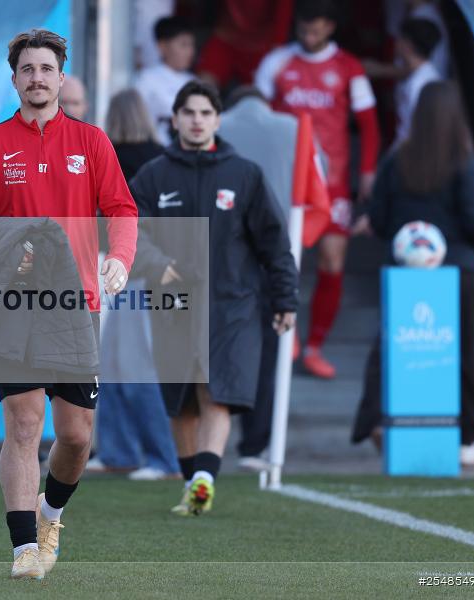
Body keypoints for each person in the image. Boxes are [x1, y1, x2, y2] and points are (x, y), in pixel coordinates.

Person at [0, 29, 137, 579]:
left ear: (60, 77)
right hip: (13, 308)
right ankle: (24, 549)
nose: (37, 78)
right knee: (25, 426)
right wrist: (2, 256)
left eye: (46, 69)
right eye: (27, 70)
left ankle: (50, 515)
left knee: (77, 437)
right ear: (14, 79)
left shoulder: (91, 142)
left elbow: (122, 209)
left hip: (77, 304)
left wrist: (119, 258)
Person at [130, 81, 298, 516]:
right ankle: (194, 486)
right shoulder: (153, 175)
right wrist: (154, 264)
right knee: (181, 401)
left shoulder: (245, 174)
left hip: (233, 302)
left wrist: (286, 297)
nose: (197, 120)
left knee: (215, 389)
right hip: (172, 305)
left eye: (205, 113)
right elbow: (126, 229)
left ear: (218, 120)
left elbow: (274, 242)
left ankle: (204, 478)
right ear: (176, 119)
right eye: (189, 112)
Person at [350, 82, 474, 467]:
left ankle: (377, 419)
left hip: (406, 274)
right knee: (458, 352)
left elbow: (378, 218)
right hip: (456, 272)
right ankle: (467, 436)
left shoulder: (398, 160)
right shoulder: (465, 160)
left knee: (392, 348)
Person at [255, 0, 380, 379]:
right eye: (303, 30)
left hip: (334, 183)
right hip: (286, 178)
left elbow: (370, 126)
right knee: (282, 258)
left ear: (329, 27)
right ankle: (286, 338)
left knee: (332, 260)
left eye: (316, 30)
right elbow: (254, 116)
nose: (308, 36)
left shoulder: (349, 68)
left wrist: (369, 171)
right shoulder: (276, 63)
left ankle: (314, 347)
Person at [93, 89, 177, 480]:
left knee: (127, 366)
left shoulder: (106, 156)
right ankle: (121, 450)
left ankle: (161, 456)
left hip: (125, 267)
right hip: (142, 267)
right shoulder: (161, 159)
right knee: (120, 364)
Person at [219, 86, 299, 469]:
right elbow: (318, 177)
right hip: (276, 251)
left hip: (222, 254)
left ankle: (202, 444)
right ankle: (256, 443)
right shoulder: (293, 127)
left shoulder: (217, 125)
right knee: (268, 351)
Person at [196, 0, 293, 91]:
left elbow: (281, 27)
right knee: (203, 86)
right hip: (226, 39)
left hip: (260, 48)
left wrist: (273, 63)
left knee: (258, 95)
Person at [135, 16, 196, 146]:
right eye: (183, 45)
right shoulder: (147, 79)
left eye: (191, 45)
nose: (190, 51)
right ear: (162, 46)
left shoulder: (193, 81)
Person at [393, 18, 441, 145]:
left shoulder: (421, 83)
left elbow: (421, 130)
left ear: (408, 44)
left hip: (413, 154)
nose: (396, 43)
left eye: (399, 39)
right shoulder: (421, 76)